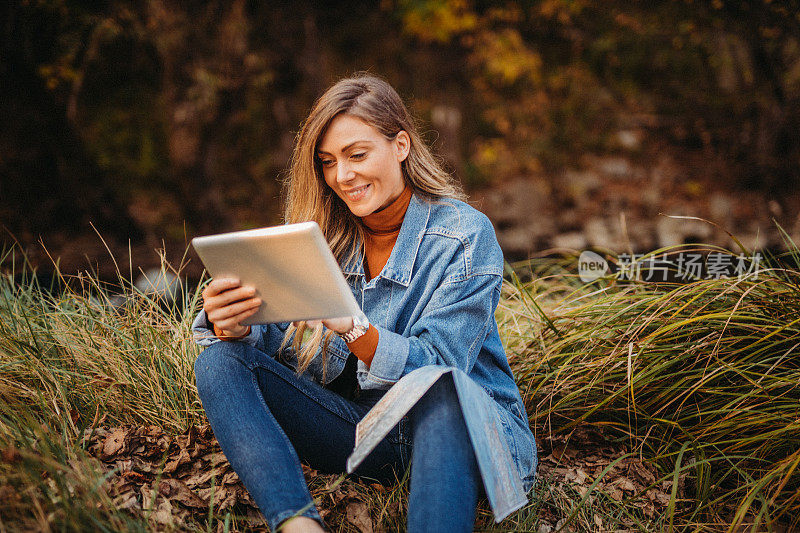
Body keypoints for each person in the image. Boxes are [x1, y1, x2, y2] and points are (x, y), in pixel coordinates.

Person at [191, 73, 537, 533]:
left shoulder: (465, 236)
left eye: (357, 155)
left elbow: (439, 366)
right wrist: (235, 325)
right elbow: (281, 342)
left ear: (401, 146)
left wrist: (356, 328)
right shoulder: (324, 238)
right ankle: (297, 525)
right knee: (220, 360)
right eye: (328, 162)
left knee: (443, 389)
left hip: (465, 435)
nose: (342, 176)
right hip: (368, 436)